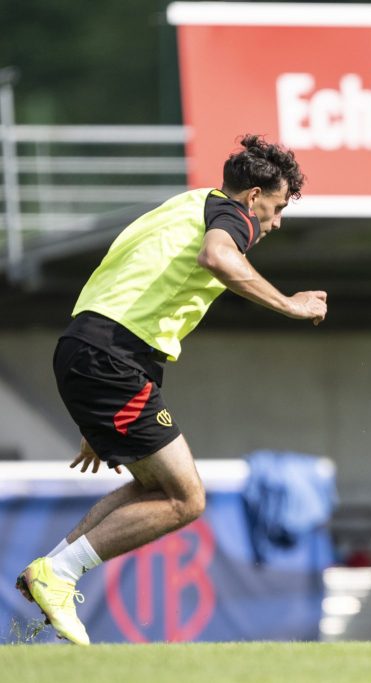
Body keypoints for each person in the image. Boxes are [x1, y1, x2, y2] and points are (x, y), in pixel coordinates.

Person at [14, 134, 327, 645]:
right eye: (276, 208)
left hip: (87, 347)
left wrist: (94, 409)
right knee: (186, 499)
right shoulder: (232, 216)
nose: (275, 223)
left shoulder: (185, 205)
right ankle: (60, 573)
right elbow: (217, 258)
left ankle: (47, 571)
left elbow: (128, 281)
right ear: (253, 196)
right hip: (112, 358)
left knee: (153, 486)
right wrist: (290, 304)